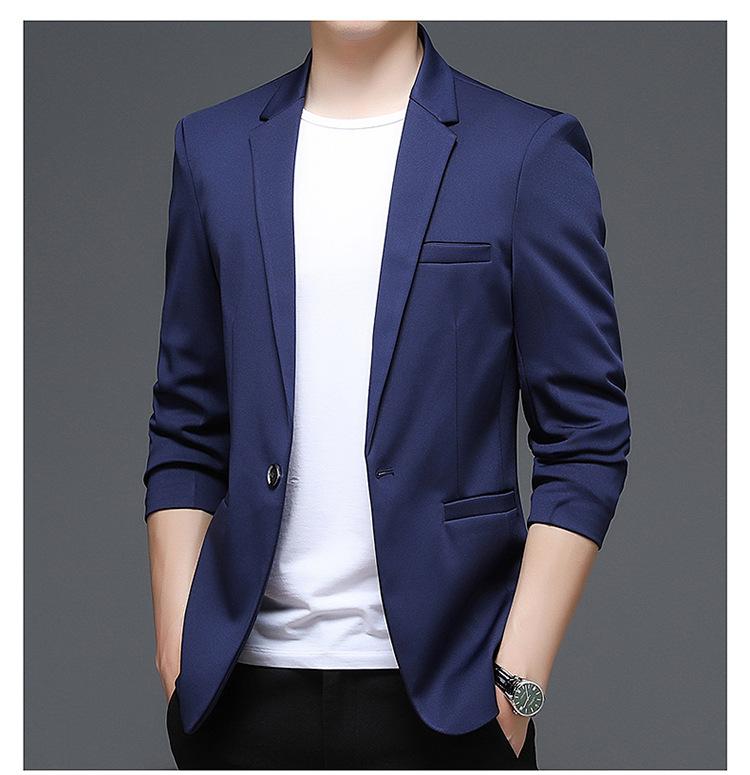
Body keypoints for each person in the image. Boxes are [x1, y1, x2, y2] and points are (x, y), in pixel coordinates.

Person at [144, 20, 630, 770]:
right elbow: (187, 419)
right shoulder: (213, 148)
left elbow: (587, 433)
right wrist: (179, 649)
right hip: (238, 696)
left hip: (452, 695)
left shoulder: (525, 152)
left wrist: (521, 678)